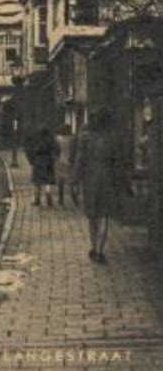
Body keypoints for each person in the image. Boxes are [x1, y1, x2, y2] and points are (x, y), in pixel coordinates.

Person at [72, 110, 118, 264]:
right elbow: (118, 162)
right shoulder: (112, 138)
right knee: (104, 215)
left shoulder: (85, 138)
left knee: (92, 215)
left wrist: (75, 181)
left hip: (90, 178)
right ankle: (100, 250)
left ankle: (93, 247)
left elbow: (79, 160)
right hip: (108, 179)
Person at [30, 127, 59, 207]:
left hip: (38, 161)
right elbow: (57, 149)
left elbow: (31, 150)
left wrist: (32, 160)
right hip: (48, 160)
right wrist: (54, 157)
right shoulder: (51, 140)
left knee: (37, 182)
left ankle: (37, 199)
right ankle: (48, 197)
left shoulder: (36, 141)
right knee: (48, 180)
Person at [54, 124, 77, 206]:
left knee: (60, 181)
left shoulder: (57, 139)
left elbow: (56, 150)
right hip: (70, 161)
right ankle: (74, 198)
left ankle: (61, 199)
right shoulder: (73, 139)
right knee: (71, 181)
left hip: (60, 160)